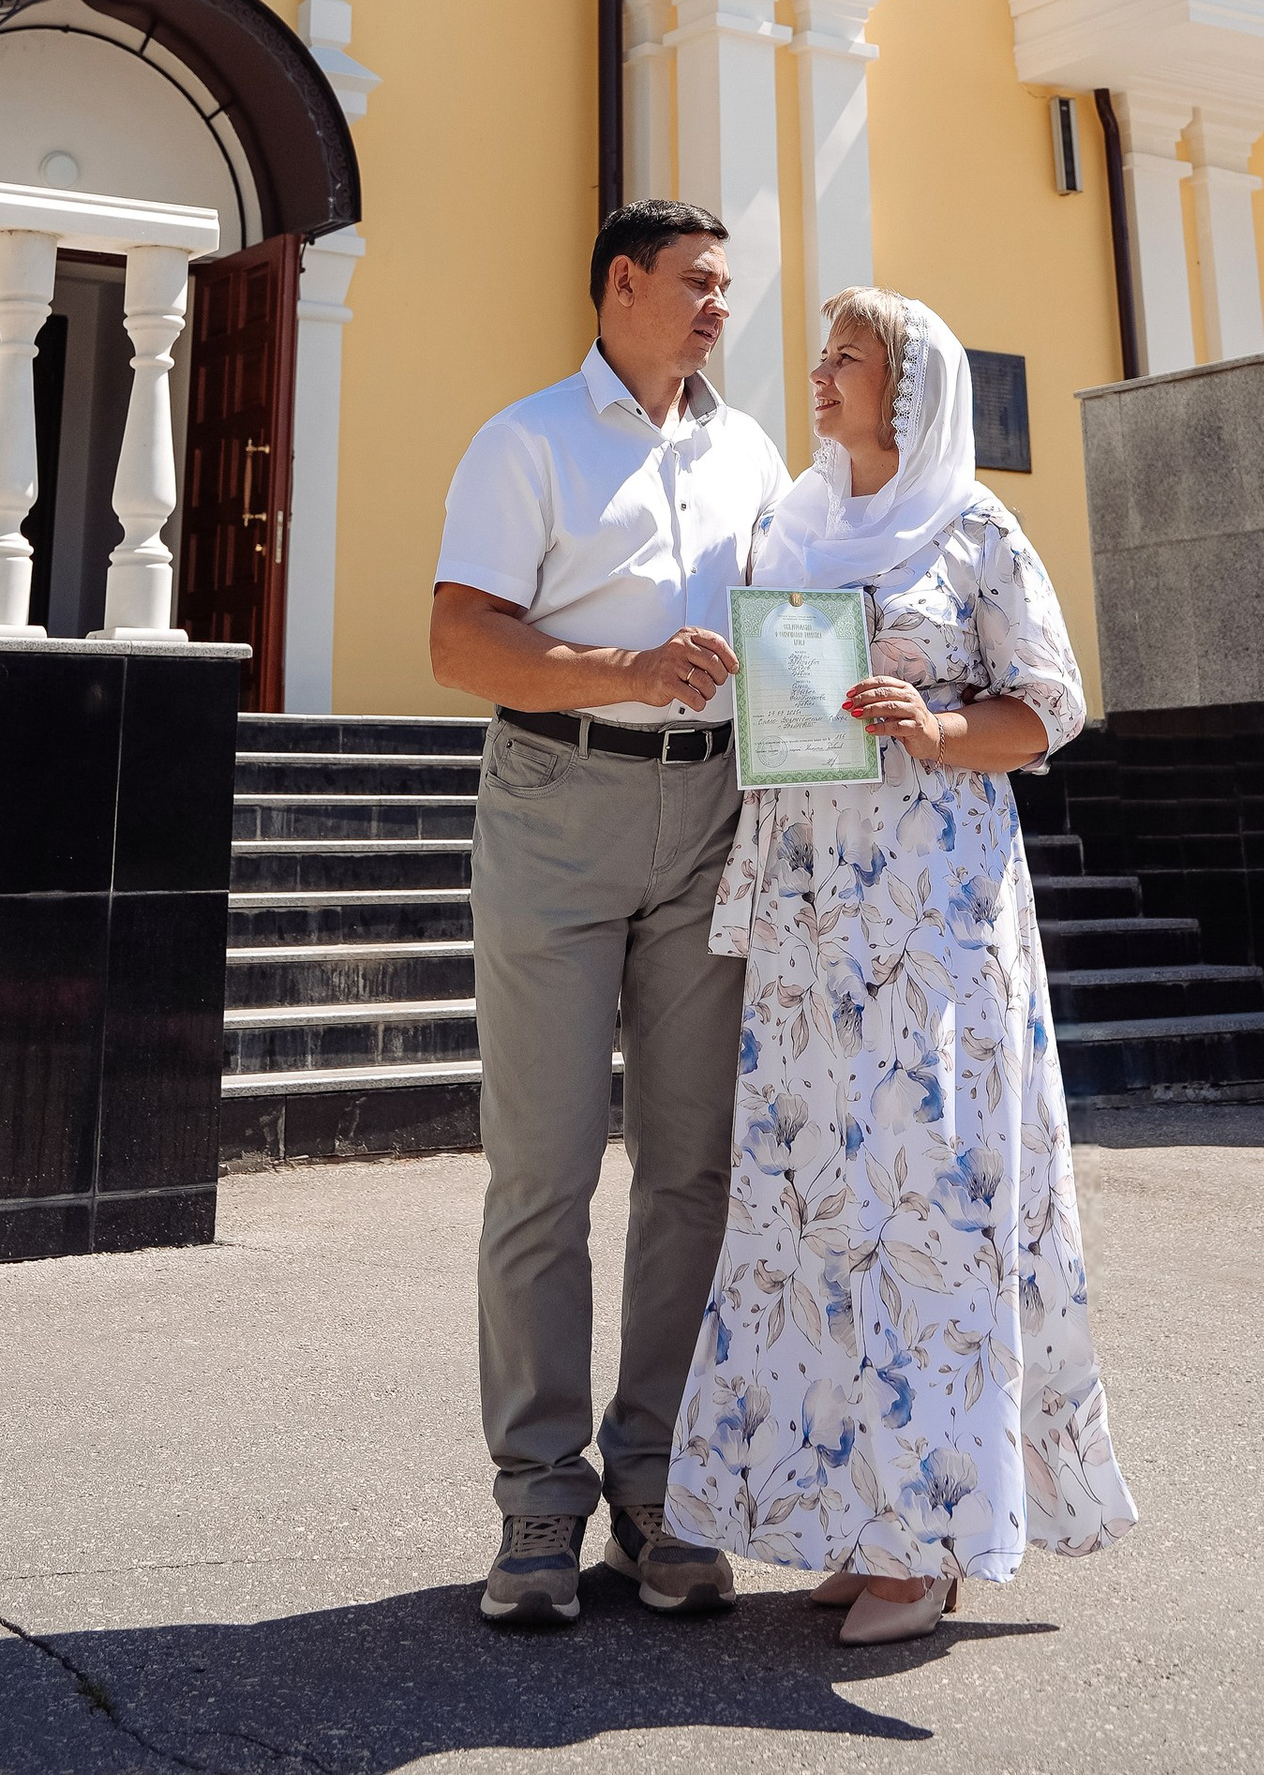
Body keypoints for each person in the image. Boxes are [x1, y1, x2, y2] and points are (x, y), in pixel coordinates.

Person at [664, 288, 1138, 1646]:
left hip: (932, 912)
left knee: (925, 1204)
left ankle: (930, 1540)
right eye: (819, 358)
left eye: (849, 360)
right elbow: (785, 692)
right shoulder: (794, 524)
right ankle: (846, 1517)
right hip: (812, 913)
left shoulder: (975, 527)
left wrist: (931, 723)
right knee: (818, 1205)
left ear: (911, 388)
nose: (820, 379)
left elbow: (1049, 706)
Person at [430, 199, 793, 1630]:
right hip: (558, 804)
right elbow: (463, 640)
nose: (721, 305)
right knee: (545, 1167)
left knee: (692, 1166)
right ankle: (535, 1506)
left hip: (712, 814)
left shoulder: (751, 449)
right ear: (622, 285)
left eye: (729, 286)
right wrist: (629, 668)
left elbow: (788, 622)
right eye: (700, 282)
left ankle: (658, 1492)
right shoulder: (526, 441)